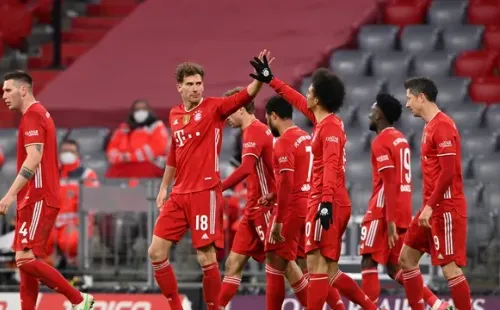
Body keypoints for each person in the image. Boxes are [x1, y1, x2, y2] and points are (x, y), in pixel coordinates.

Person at [250, 55, 378, 310]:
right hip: (328, 199)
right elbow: (295, 100)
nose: (305, 95)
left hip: (325, 200)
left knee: (316, 266)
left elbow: (331, 166)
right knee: (329, 270)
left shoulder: (329, 128)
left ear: (318, 98)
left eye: (309, 91)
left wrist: (326, 203)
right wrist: (271, 80)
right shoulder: (325, 121)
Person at [148, 57, 266, 310]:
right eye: (190, 84)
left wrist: (260, 80)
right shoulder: (175, 114)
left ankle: (215, 308)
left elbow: (242, 98)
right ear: (179, 87)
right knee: (156, 252)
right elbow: (173, 152)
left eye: (199, 83)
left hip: (205, 193)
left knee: (206, 257)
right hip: (179, 194)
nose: (195, 88)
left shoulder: (214, 108)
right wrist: (163, 187)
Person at [0, 71, 94, 310]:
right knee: (25, 260)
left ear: (23, 90)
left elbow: (34, 158)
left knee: (23, 259)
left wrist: (11, 193)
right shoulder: (37, 115)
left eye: (8, 90)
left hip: (38, 195)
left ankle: (77, 298)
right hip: (33, 196)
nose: (4, 96)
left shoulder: (33, 116)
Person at [361, 94, 452, 310]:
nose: (369, 114)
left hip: (384, 210)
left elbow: (390, 182)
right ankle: (437, 304)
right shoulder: (401, 139)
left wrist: (389, 220)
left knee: (368, 261)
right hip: (402, 208)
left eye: (372, 110)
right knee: (396, 267)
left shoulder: (381, 141)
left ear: (380, 114)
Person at [263, 95, 345, 310]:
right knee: (300, 264)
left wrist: (279, 220)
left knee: (274, 258)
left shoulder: (283, 142)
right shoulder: (306, 136)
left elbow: (287, 184)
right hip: (309, 206)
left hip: (292, 207)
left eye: (267, 119)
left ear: (273, 116)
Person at [400, 77, 471, 310]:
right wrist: (428, 207)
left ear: (422, 97)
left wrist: (430, 206)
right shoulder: (429, 126)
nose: (407, 103)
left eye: (409, 98)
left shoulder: (443, 125)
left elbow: (449, 171)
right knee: (406, 259)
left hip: (445, 208)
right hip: (430, 208)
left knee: (450, 268)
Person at [216, 86, 276, 308]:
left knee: (282, 265)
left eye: (228, 111)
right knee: (233, 263)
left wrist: (218, 187)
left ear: (241, 109)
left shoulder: (255, 131)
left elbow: (246, 168)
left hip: (266, 208)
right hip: (252, 211)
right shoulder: (250, 132)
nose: (226, 117)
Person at [50, 139, 99, 266]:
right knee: (39, 239)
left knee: (70, 241)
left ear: (78, 154)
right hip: (52, 223)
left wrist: (78, 223)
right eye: (65, 151)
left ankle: (72, 264)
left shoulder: (87, 174)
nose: (67, 154)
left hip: (77, 224)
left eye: (71, 151)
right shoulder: (51, 173)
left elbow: (92, 203)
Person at [106, 99, 169, 178]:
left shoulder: (157, 126)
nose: (140, 112)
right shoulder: (123, 128)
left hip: (148, 164)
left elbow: (158, 148)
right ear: (132, 112)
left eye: (143, 109)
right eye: (137, 109)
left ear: (149, 111)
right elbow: (111, 151)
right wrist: (122, 157)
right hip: (123, 165)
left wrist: (130, 157)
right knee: (111, 174)